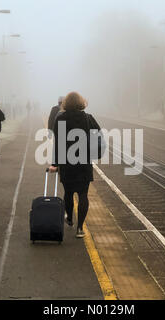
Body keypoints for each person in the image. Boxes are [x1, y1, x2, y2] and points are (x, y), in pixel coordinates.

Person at [49, 92, 101, 238]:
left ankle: (70, 219)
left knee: (69, 192)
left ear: (66, 103)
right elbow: (99, 136)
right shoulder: (88, 118)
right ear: (81, 102)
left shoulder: (60, 119)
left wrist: (55, 163)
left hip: (67, 162)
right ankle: (80, 228)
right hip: (84, 162)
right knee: (83, 194)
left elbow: (57, 143)